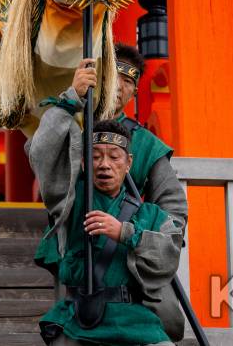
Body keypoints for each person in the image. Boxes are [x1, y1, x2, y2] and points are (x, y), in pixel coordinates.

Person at [27, 60, 180, 346]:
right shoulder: (71, 201)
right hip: (80, 314)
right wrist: (71, 97)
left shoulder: (149, 211)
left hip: (133, 315)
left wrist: (127, 232)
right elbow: (43, 156)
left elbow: (170, 235)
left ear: (128, 164)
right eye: (96, 157)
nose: (105, 165)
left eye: (114, 157)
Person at [113, 44, 188, 341]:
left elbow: (173, 208)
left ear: (134, 92)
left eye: (128, 80)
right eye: (113, 74)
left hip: (129, 251)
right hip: (82, 251)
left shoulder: (145, 143)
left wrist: (146, 236)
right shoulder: (72, 123)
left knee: (165, 323)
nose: (119, 86)